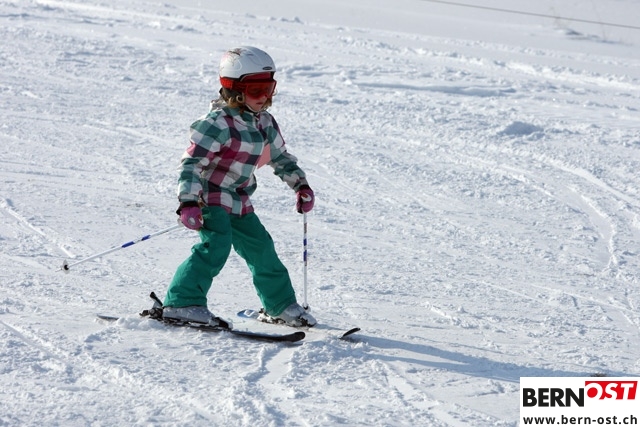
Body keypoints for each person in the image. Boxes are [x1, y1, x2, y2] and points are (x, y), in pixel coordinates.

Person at [161, 46, 316, 328]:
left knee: (262, 249)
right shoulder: (217, 124)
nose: (264, 97)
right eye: (256, 90)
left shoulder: (264, 123)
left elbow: (279, 157)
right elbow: (191, 164)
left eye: (269, 89)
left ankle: (280, 305)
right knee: (216, 246)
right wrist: (188, 201)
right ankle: (182, 302)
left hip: (239, 199)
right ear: (234, 89)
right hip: (209, 197)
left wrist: (300, 184)